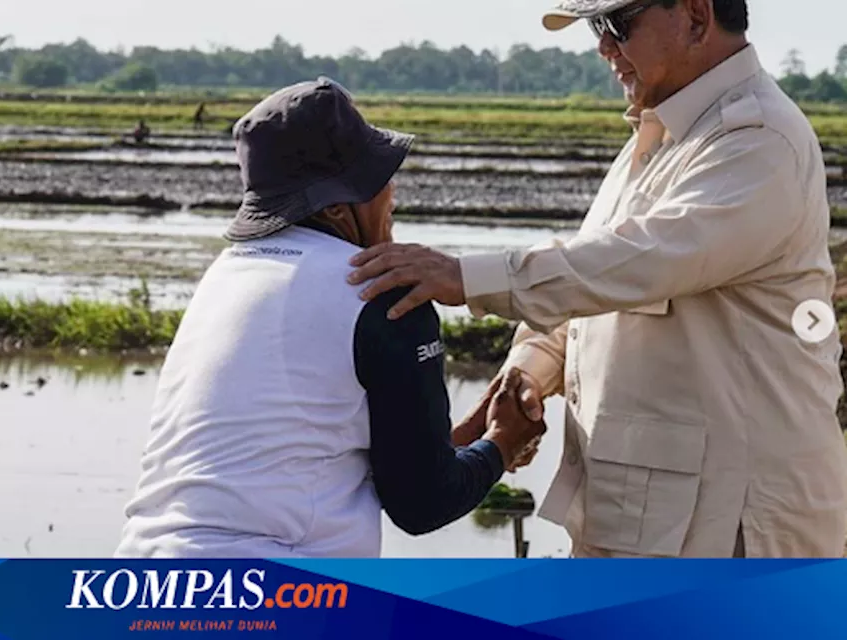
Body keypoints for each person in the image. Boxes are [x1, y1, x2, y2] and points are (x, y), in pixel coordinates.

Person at [345, 0, 847, 558]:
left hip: (731, 525)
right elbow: (595, 283)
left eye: (617, 24)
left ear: (697, 17)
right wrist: (530, 372)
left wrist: (463, 276)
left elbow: (642, 261)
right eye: (595, 27)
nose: (603, 47)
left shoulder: (756, 141)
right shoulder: (662, 139)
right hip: (655, 516)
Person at [115, 77, 545, 558]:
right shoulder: (381, 292)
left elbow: (316, 454)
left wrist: (473, 435)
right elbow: (424, 502)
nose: (393, 192)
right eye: (380, 178)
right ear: (340, 207)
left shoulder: (227, 276)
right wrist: (506, 442)